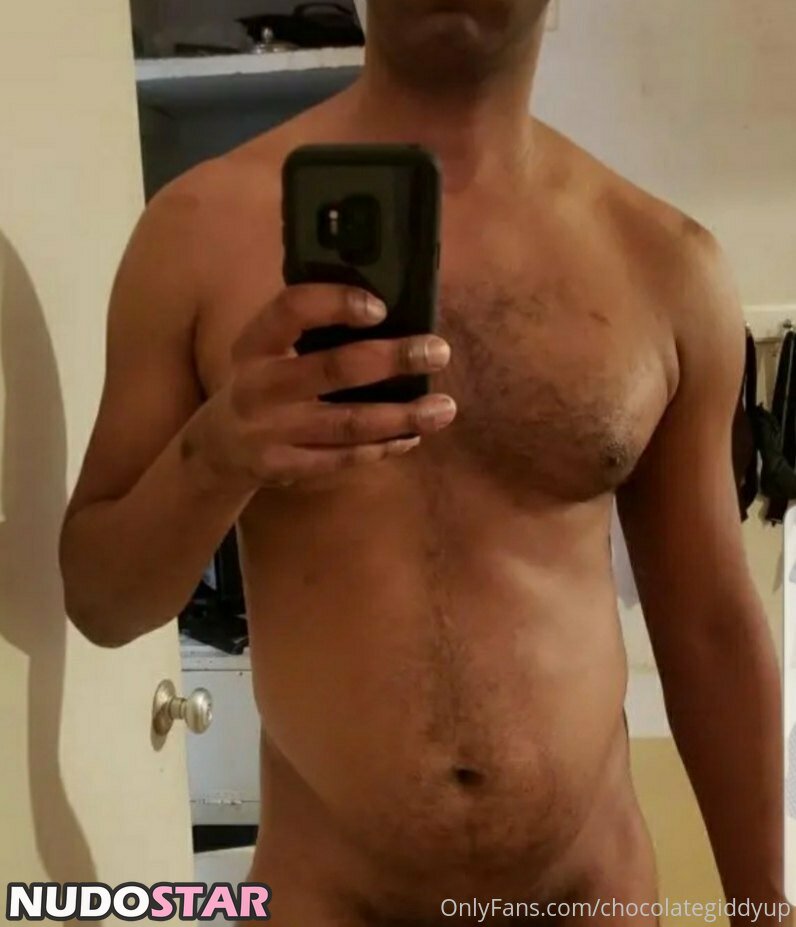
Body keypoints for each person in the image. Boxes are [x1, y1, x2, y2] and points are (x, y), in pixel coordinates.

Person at [59, 1, 787, 923]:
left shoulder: (664, 263)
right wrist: (217, 453)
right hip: (328, 896)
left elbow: (710, 631)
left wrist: (766, 905)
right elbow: (102, 603)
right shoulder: (195, 235)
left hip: (586, 893)